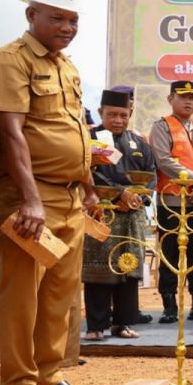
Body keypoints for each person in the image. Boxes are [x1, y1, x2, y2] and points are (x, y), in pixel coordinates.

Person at [0, 0, 100, 385]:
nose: (67, 27)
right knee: (22, 292)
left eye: (73, 20)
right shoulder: (10, 61)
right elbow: (11, 135)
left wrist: (87, 187)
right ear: (31, 15)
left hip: (67, 197)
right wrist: (29, 200)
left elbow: (73, 130)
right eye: (57, 18)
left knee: (59, 292)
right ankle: (17, 384)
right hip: (32, 198)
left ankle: (49, 376)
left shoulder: (65, 65)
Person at [81, 89, 156, 340]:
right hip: (102, 213)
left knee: (129, 268)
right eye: (112, 114)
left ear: (130, 114)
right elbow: (89, 173)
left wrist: (139, 198)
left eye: (123, 115)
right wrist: (119, 194)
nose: (118, 120)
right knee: (98, 269)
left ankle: (123, 323)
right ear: (101, 112)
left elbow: (151, 175)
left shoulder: (139, 143)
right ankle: (95, 326)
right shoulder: (91, 139)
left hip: (132, 215)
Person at [148, 80, 193, 323]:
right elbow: (164, 161)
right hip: (171, 201)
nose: (188, 101)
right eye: (183, 96)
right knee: (169, 252)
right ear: (171, 99)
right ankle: (169, 306)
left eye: (192, 97)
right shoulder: (161, 127)